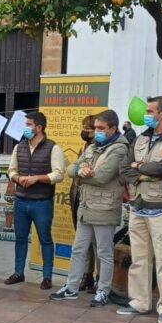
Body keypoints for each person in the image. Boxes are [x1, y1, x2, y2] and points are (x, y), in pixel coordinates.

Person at [117, 96, 162, 323]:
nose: (145, 114)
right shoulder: (140, 138)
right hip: (138, 206)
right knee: (139, 258)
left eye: (150, 111)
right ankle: (139, 302)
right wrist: (146, 174)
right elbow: (123, 170)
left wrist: (138, 168)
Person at [51, 110, 129, 307]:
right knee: (78, 249)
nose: (97, 132)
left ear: (113, 128)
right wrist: (80, 170)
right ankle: (71, 287)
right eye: (95, 128)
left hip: (105, 208)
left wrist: (82, 173)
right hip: (85, 207)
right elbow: (70, 169)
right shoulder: (93, 147)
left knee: (104, 252)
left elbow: (102, 176)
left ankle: (103, 290)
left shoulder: (119, 149)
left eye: (101, 128)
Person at [6, 111, 66, 290]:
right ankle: (18, 272)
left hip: (42, 202)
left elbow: (59, 174)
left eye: (29, 125)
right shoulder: (20, 146)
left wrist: (37, 178)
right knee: (20, 238)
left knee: (45, 239)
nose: (26, 128)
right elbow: (11, 170)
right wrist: (18, 178)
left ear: (39, 127)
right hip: (21, 200)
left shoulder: (53, 148)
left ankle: (47, 276)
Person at [69, 114, 99, 292]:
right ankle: (87, 275)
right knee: (83, 241)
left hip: (94, 200)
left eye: (87, 129)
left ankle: (99, 278)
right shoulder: (85, 147)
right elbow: (73, 170)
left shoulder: (102, 149)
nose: (84, 132)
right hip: (78, 196)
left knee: (97, 242)